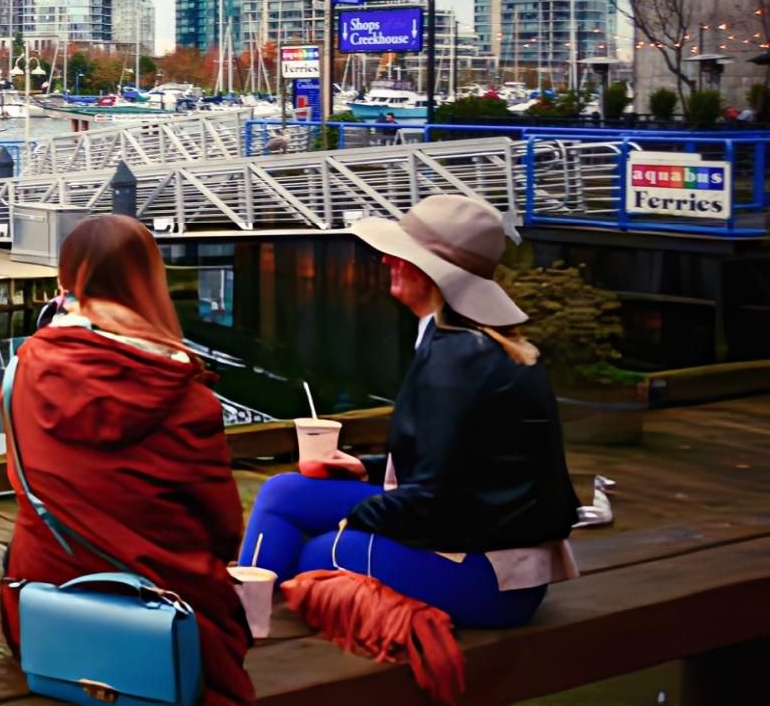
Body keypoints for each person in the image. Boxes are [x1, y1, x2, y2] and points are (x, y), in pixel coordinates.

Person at [239, 194, 579, 628]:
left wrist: (351, 516)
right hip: (492, 551)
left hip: (485, 577)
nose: (386, 261)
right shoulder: (470, 341)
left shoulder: (457, 358)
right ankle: (247, 619)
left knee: (310, 553)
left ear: (436, 274)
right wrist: (366, 469)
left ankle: (248, 629)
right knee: (284, 492)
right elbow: (466, 467)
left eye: (401, 254)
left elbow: (434, 501)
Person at [0, 216, 254, 706]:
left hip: (44, 612)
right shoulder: (187, 396)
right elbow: (223, 529)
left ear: (67, 281)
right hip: (166, 619)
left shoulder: (25, 368)